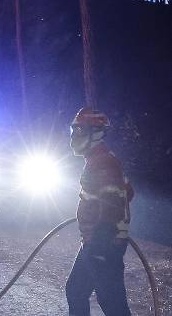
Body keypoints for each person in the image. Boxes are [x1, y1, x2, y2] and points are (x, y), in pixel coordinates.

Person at [66, 107, 133, 316]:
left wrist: (100, 246)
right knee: (76, 291)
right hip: (95, 241)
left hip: (104, 244)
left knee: (113, 305)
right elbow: (128, 192)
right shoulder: (99, 159)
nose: (75, 137)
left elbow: (113, 203)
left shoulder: (103, 162)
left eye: (80, 131)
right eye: (74, 131)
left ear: (96, 133)